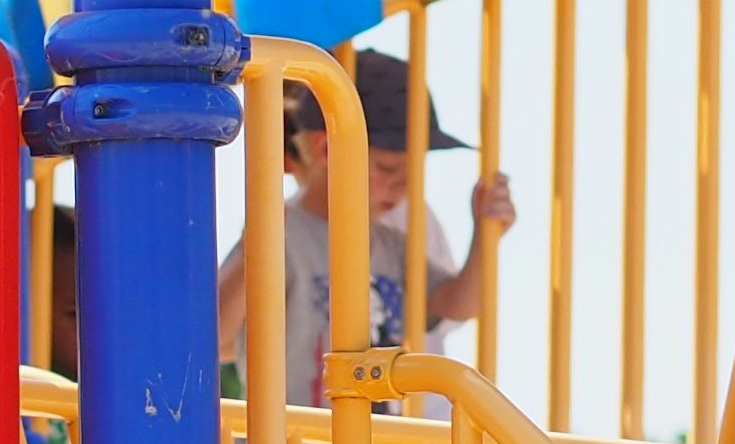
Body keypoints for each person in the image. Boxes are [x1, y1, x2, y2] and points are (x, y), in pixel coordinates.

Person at [213, 45, 518, 408]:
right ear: (325, 150)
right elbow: (214, 337)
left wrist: (485, 235)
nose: (403, 186)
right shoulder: (281, 232)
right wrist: (255, 252)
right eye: (388, 169)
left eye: (413, 171)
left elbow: (456, 304)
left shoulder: (390, 244)